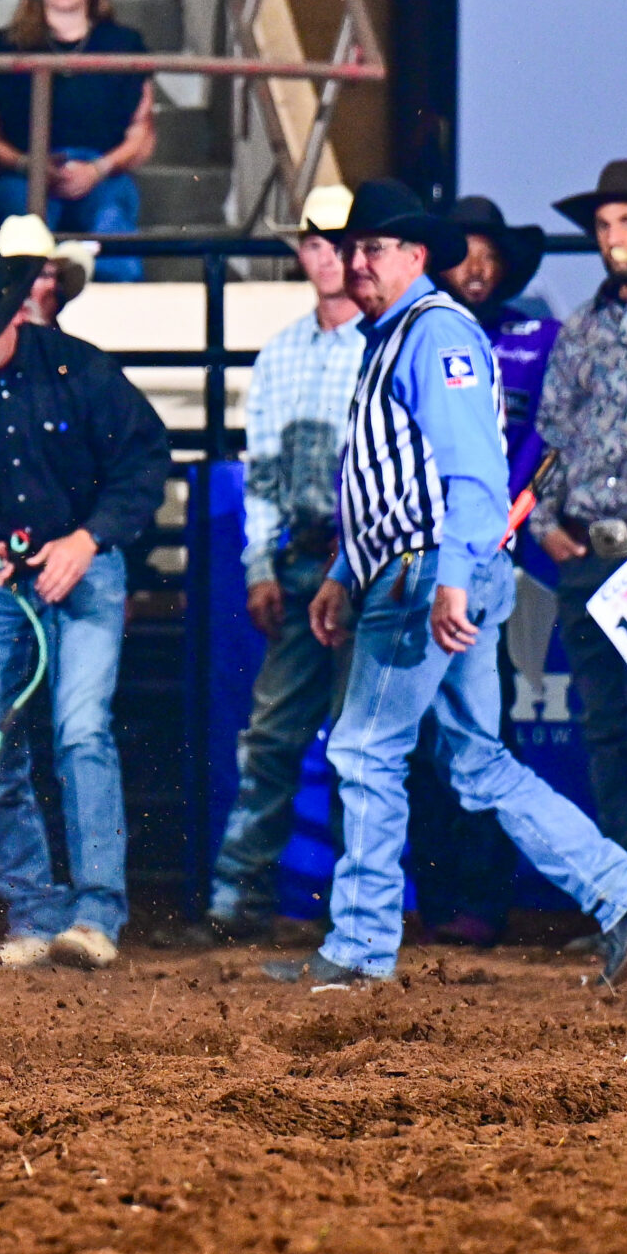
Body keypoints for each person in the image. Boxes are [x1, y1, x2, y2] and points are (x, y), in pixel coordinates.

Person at [268, 180, 627, 989]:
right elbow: (398, 475)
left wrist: (448, 574)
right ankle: (620, 885)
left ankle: (358, 948)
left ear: (416, 255)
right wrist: (346, 570)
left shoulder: (430, 332)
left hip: (425, 571)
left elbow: (476, 471)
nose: (356, 262)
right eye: (350, 248)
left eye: (373, 247)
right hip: (426, 566)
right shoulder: (406, 332)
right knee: (478, 762)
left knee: (366, 747)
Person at [0, 236, 170, 970]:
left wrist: (88, 539)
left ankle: (93, 912)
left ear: (14, 313)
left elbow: (142, 460)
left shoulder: (82, 369)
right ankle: (37, 912)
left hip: (83, 570)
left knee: (81, 733)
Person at [202, 185, 364, 942]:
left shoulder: (380, 341)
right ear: (303, 251)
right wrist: (261, 563)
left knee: (354, 739)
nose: (326, 254)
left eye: (338, 242)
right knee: (277, 736)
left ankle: (344, 905)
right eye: (316, 241)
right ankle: (246, 898)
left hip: (363, 564)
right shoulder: (283, 353)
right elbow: (263, 467)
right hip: (307, 563)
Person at [406, 194, 554, 948]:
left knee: (476, 731)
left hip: (489, 558)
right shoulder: (420, 335)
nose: (481, 268)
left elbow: (546, 438)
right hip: (423, 554)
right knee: (428, 732)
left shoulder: (536, 337)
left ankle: (483, 898)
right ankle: (440, 896)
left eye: (492, 256)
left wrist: (507, 514)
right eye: (468, 252)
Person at [531, 159, 627, 871]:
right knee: (609, 732)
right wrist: (545, 525)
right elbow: (553, 431)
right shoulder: (582, 327)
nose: (613, 236)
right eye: (602, 224)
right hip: (590, 550)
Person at [0, 0, 154, 282]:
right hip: (25, 172)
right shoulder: (5, 46)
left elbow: (142, 134)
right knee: (22, 237)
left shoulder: (125, 45)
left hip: (104, 171)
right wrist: (30, 165)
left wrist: (98, 169)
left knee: (112, 225)